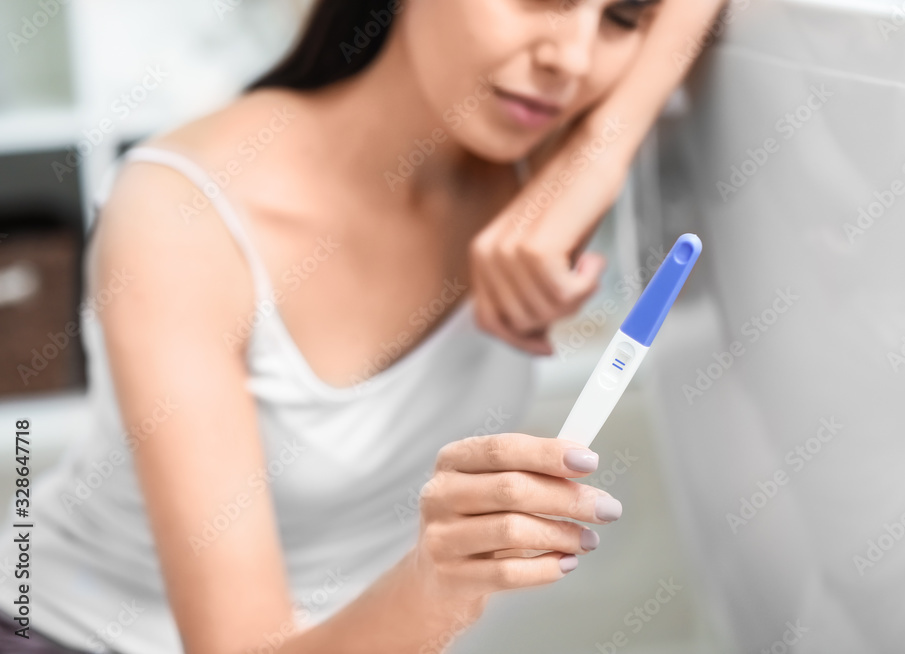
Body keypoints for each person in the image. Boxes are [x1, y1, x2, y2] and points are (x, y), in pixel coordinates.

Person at [0, 0, 725, 652]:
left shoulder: (538, 165)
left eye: (623, 17)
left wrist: (600, 158)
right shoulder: (179, 218)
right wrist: (439, 587)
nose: (573, 58)